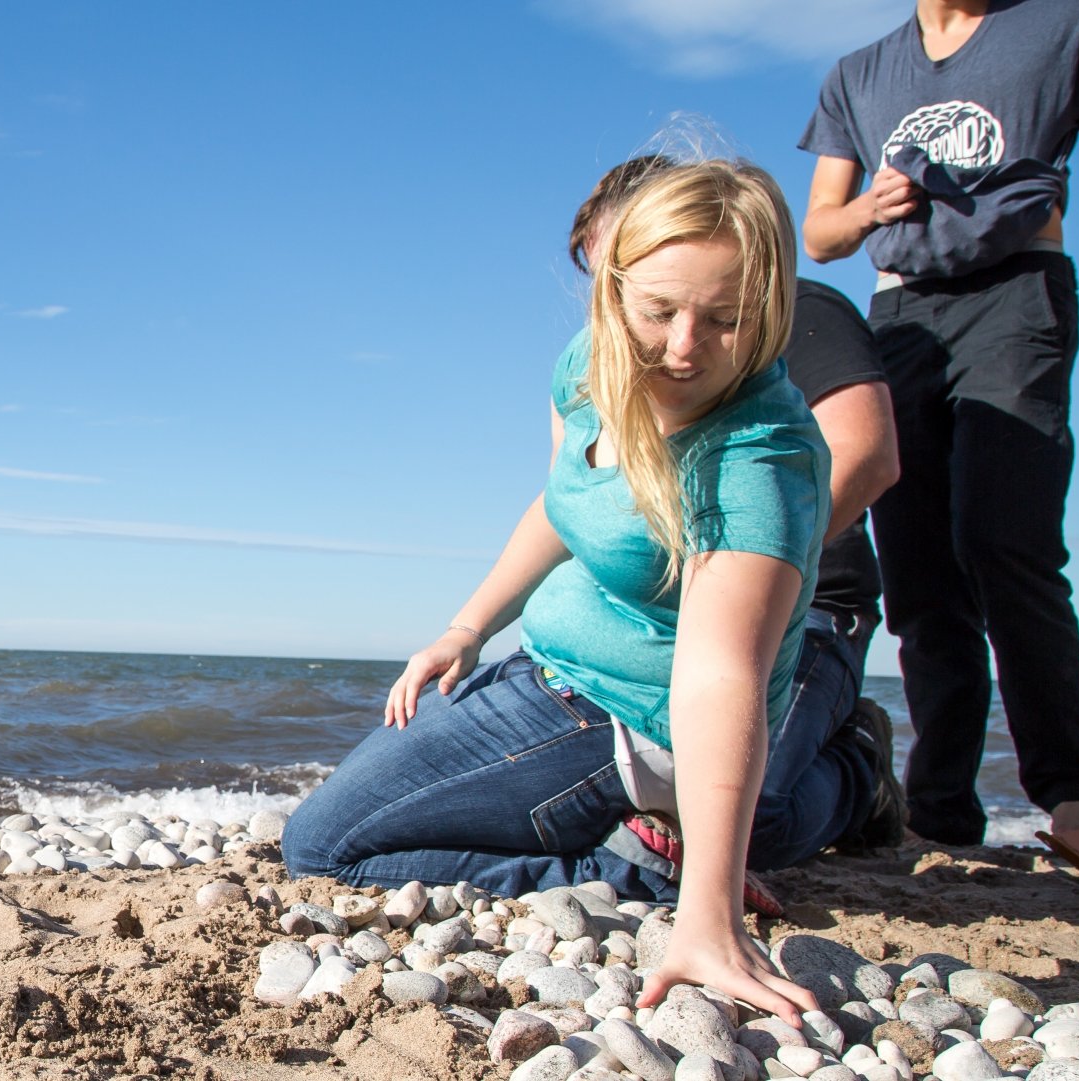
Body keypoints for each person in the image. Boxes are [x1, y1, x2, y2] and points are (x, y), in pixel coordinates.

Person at [283, 161, 832, 1020]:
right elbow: (563, 499)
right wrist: (468, 627)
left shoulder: (756, 463)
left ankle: (635, 870)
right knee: (351, 814)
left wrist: (708, 917)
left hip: (621, 716)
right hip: (541, 666)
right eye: (658, 312)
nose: (684, 347)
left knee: (322, 846)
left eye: (726, 321)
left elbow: (720, 674)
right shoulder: (590, 365)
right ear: (612, 291)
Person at [799, 0, 1079, 844]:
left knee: (1004, 539)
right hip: (900, 316)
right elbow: (819, 232)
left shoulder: (1076, 21)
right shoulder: (857, 72)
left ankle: (1072, 796)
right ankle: (943, 809)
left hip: (1020, 290)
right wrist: (868, 210)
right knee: (920, 575)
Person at [569, 157, 909, 873]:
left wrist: (741, 578)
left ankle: (858, 768)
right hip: (669, 619)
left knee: (747, 825)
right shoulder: (616, 349)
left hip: (811, 612)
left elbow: (869, 454)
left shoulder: (796, 309)